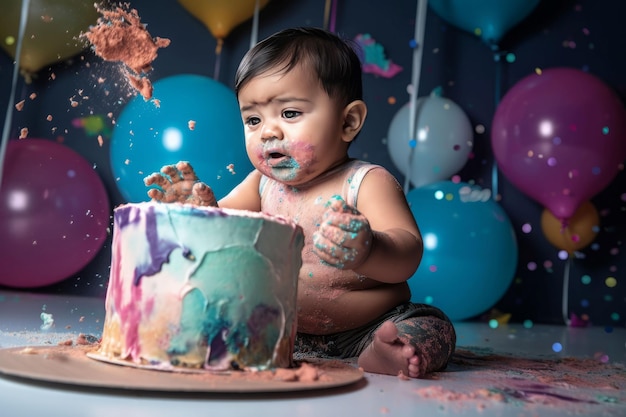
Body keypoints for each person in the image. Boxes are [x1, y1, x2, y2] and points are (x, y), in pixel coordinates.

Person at [144, 27, 456, 378]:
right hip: (281, 330)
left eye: (289, 113)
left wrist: (368, 249)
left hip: (369, 326)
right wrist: (196, 208)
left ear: (348, 121)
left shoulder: (367, 182)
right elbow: (221, 228)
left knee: (433, 327)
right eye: (253, 119)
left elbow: (408, 255)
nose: (268, 132)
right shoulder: (261, 184)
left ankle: (386, 353)